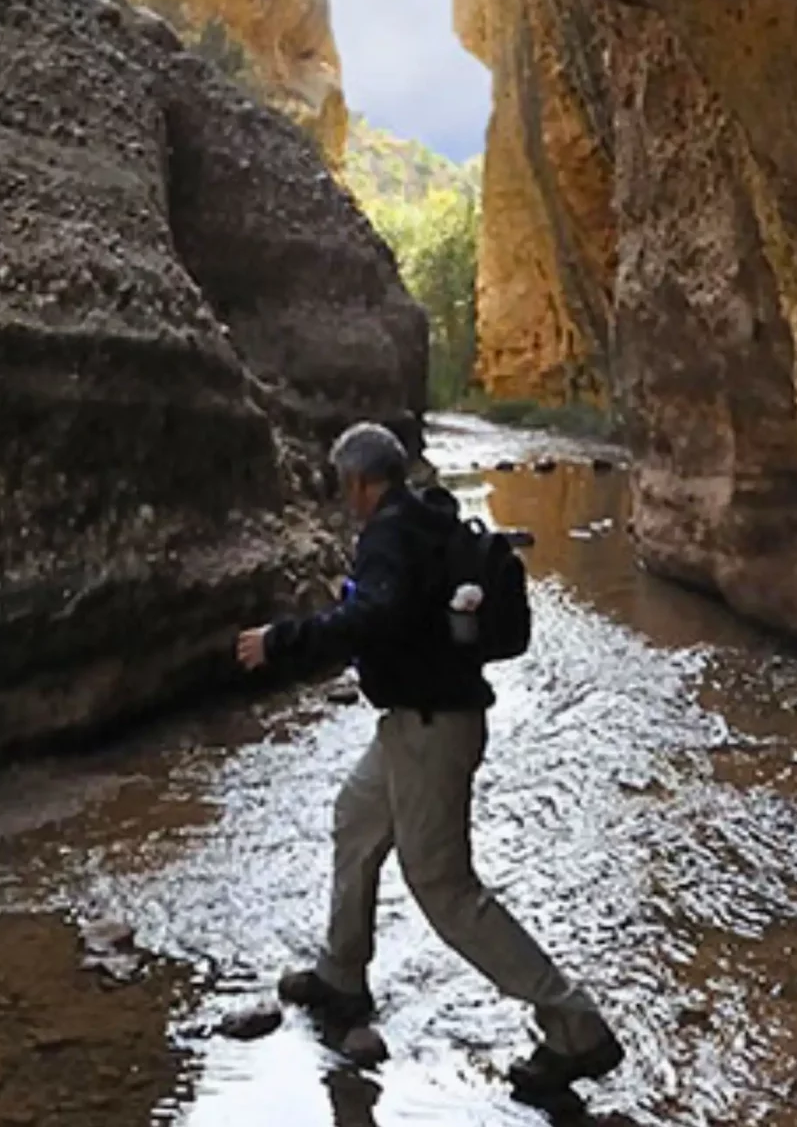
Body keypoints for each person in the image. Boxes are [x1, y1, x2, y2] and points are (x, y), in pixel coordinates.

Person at [235, 422, 625, 1099]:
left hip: (431, 728)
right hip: (414, 723)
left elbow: (374, 618)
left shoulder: (389, 535)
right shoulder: (425, 518)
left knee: (445, 887)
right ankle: (340, 975)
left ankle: (575, 1027)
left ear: (361, 482)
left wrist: (282, 639)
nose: (344, 496)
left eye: (344, 485)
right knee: (356, 821)